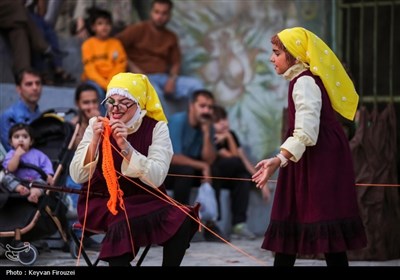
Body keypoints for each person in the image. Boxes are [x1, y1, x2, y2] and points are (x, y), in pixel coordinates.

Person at [252, 27, 367, 267]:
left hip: (320, 159)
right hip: (308, 157)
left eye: (276, 53)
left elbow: (306, 132)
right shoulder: (299, 80)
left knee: (324, 221)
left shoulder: (304, 82)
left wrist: (278, 159)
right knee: (293, 218)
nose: (272, 58)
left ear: (293, 55)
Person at [69, 72, 199, 266]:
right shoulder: (95, 125)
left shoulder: (157, 128)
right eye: (111, 101)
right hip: (104, 200)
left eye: (124, 102)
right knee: (122, 222)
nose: (115, 108)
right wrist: (95, 141)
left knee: (182, 218)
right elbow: (78, 175)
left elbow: (157, 177)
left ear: (138, 104)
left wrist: (127, 149)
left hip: (146, 197)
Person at [115, 0, 204, 117]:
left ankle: (195, 125)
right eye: (157, 12)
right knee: (156, 93)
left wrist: (172, 79)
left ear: (169, 15)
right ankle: (168, 131)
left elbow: (176, 62)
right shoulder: (138, 29)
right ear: (151, 12)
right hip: (141, 78)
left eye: (164, 13)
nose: (159, 17)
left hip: (163, 77)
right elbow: (115, 46)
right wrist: (132, 66)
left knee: (196, 85)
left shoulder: (171, 36)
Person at [165, 89, 228, 241]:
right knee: (185, 170)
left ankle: (211, 224)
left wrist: (207, 133)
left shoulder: (207, 125)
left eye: (210, 107)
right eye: (202, 106)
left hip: (192, 167)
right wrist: (202, 166)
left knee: (214, 169)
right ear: (191, 105)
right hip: (168, 171)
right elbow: (173, 157)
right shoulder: (178, 121)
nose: (207, 111)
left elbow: (209, 160)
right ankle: (179, 223)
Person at [213, 105, 271, 204]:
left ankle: (239, 219)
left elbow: (243, 159)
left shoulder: (230, 134)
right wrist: (228, 136)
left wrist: (261, 180)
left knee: (243, 177)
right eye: (217, 121)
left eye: (224, 119)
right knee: (237, 165)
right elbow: (234, 159)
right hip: (217, 176)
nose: (223, 123)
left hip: (234, 174)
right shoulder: (214, 138)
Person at [80, 7, 127, 113]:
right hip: (94, 81)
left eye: (107, 24)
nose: (104, 27)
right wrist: (105, 85)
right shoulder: (88, 45)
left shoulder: (116, 44)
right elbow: (90, 69)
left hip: (113, 81)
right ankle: (101, 122)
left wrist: (111, 83)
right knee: (98, 92)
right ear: (93, 27)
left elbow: (120, 66)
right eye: (100, 23)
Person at [66, 82, 101, 214]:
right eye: (86, 102)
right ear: (77, 104)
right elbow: (78, 155)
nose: (91, 106)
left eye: (94, 102)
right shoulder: (72, 127)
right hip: (78, 176)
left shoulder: (104, 122)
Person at [1, 123, 54, 204]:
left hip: (35, 180)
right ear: (11, 142)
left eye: (25, 137)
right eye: (16, 137)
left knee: (42, 184)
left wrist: (49, 175)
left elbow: (46, 164)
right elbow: (10, 169)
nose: (21, 140)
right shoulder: (11, 154)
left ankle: (33, 194)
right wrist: (17, 155)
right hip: (18, 181)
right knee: (6, 179)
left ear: (31, 141)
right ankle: (21, 189)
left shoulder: (37, 154)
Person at [0, 68, 43, 152]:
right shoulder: (9, 116)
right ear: (18, 89)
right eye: (29, 84)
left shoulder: (40, 115)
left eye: (38, 83)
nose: (35, 88)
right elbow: (11, 151)